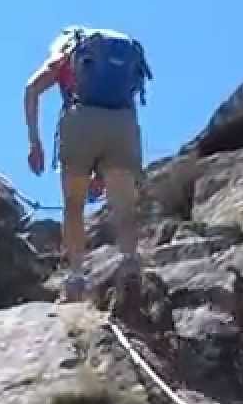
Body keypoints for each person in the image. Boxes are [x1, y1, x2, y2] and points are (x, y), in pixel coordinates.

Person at [23, 25, 153, 307]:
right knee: (124, 205)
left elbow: (32, 88)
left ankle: (75, 281)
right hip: (122, 123)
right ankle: (130, 265)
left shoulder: (67, 51)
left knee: (74, 204)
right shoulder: (123, 55)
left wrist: (35, 142)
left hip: (81, 122)